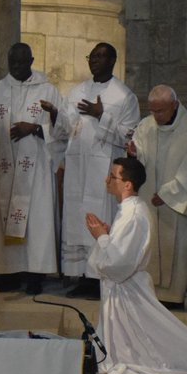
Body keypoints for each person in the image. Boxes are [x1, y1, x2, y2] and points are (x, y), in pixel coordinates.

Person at [85, 157, 187, 374]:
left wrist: (102, 237)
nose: (107, 179)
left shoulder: (133, 215)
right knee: (141, 337)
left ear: (128, 184)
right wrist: (106, 236)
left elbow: (118, 265)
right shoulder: (129, 210)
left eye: (113, 176)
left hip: (127, 289)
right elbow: (121, 252)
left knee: (153, 340)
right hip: (124, 289)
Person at [41, 42, 140, 299]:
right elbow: (65, 128)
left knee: (100, 215)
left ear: (113, 60)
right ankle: (82, 277)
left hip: (104, 170)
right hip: (78, 167)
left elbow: (131, 136)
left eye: (100, 56)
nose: (94, 60)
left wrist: (102, 115)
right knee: (76, 218)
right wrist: (54, 116)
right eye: (92, 56)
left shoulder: (124, 96)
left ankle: (99, 278)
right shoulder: (77, 91)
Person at [0, 44, 59, 295]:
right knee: (4, 216)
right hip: (5, 166)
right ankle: (8, 272)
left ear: (31, 61)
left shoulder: (47, 90)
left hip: (36, 168)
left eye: (21, 63)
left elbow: (65, 128)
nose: (16, 68)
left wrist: (37, 128)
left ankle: (35, 273)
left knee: (37, 220)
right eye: (12, 62)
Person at [129, 85, 187, 305]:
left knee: (178, 247)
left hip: (176, 203)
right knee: (151, 246)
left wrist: (168, 193)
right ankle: (149, 294)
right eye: (152, 110)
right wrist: (135, 154)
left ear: (174, 105)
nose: (155, 116)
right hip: (150, 200)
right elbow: (141, 156)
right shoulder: (145, 126)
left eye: (160, 111)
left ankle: (174, 296)